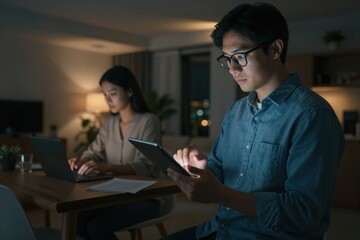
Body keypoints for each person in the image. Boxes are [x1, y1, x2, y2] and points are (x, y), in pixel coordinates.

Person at [164, 3, 344, 240]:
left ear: (275, 49)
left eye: (240, 56)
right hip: (221, 229)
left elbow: (303, 212)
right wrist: (200, 170)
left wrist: (221, 194)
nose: (232, 69)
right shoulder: (236, 113)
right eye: (227, 59)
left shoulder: (312, 115)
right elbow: (220, 170)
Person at [69, 65, 162, 240]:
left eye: (112, 93)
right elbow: (92, 152)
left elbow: (146, 165)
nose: (107, 100)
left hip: (146, 198)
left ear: (129, 91)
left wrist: (105, 167)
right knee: (78, 219)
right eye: (105, 95)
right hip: (114, 195)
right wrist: (81, 162)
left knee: (97, 228)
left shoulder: (149, 121)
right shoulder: (110, 123)